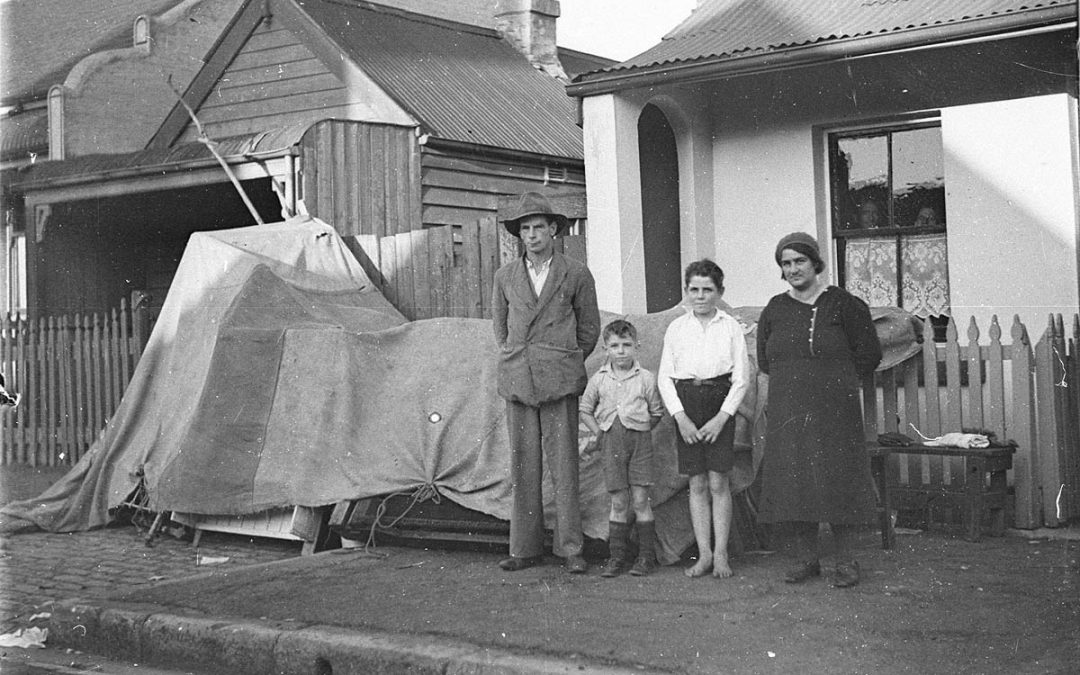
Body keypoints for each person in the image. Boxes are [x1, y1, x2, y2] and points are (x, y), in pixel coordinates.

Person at [756, 232, 883, 588]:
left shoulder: (845, 305)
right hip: (789, 408)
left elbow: (869, 353)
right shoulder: (775, 309)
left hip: (834, 409)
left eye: (799, 261)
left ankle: (846, 560)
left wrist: (840, 382)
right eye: (786, 263)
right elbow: (765, 359)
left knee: (838, 478)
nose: (793, 269)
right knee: (795, 480)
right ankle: (805, 559)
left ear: (815, 263)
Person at [492, 191, 601, 574]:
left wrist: (563, 360)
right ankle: (524, 549)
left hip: (559, 380)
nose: (533, 235)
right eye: (525, 228)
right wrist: (520, 359)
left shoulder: (575, 273)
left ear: (554, 229)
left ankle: (571, 548)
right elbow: (501, 330)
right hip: (519, 380)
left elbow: (589, 330)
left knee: (564, 465)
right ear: (518, 235)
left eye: (539, 226)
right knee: (523, 465)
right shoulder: (505, 276)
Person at [658, 260, 750, 579]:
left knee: (718, 480)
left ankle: (722, 554)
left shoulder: (730, 327)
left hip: (719, 403)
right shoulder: (676, 328)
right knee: (696, 482)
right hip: (687, 404)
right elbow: (664, 379)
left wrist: (723, 417)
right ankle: (705, 554)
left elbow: (741, 378)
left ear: (719, 292)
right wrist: (680, 417)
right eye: (694, 289)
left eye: (707, 290)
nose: (700, 296)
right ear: (686, 292)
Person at [580, 319, 666, 578]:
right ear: (605, 348)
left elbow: (657, 412)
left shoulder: (646, 378)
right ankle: (616, 558)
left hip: (640, 444)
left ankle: (645, 558)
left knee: (640, 499)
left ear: (636, 347)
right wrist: (600, 433)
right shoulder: (599, 380)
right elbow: (585, 410)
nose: (621, 351)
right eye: (615, 346)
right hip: (611, 444)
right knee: (618, 501)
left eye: (626, 345)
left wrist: (639, 428)